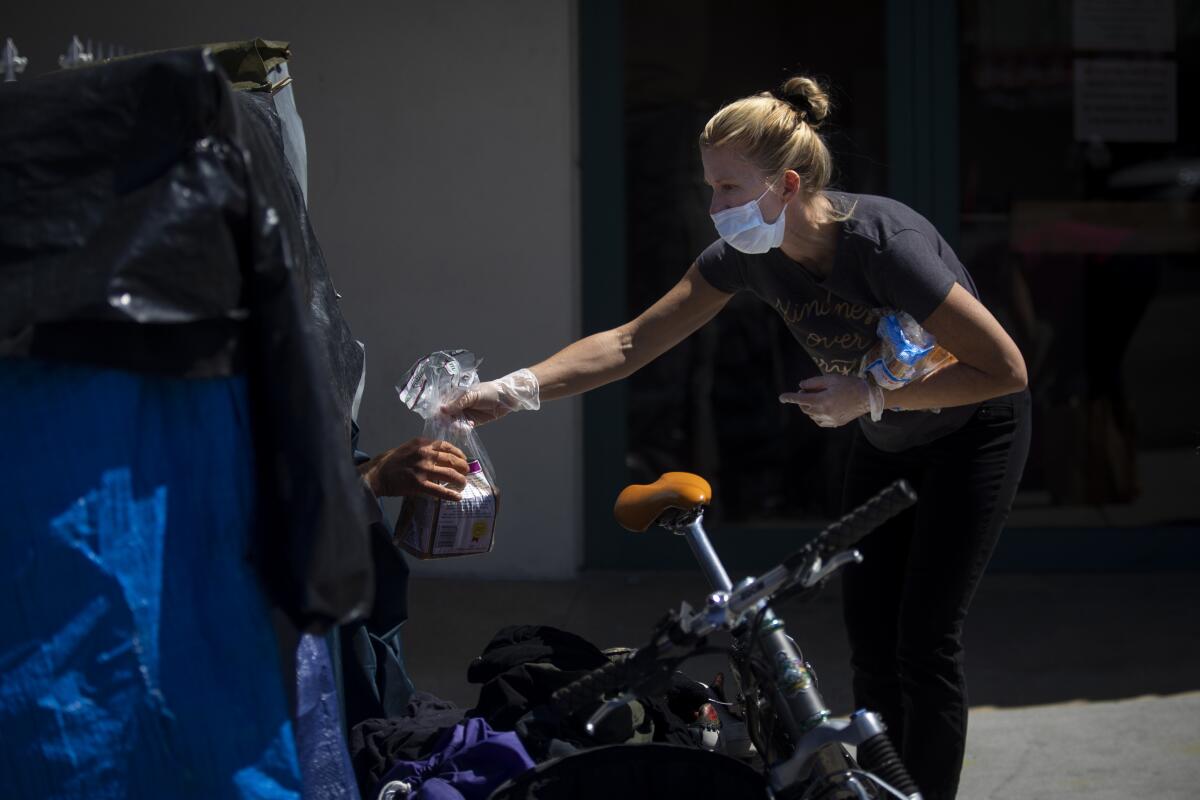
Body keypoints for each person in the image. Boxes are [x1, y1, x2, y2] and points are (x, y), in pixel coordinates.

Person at [447, 75, 1031, 800]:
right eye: (710, 188)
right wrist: (514, 389)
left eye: (728, 189)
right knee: (873, 645)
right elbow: (631, 342)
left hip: (973, 435)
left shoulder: (885, 244)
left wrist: (872, 392)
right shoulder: (747, 256)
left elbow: (1005, 368)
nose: (715, 207)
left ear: (786, 185)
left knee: (925, 641)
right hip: (884, 441)